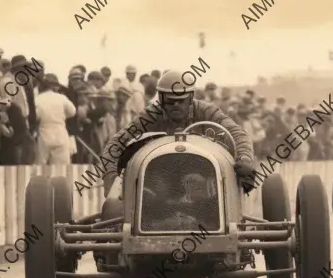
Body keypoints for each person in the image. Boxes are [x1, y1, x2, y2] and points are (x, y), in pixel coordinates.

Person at [101, 69, 255, 196]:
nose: (176, 105)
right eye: (170, 100)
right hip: (162, 176)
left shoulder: (206, 111)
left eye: (181, 100)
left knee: (197, 183)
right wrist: (111, 177)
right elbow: (116, 143)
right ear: (161, 98)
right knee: (153, 186)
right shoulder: (149, 116)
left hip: (200, 173)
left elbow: (236, 132)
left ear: (190, 98)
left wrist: (244, 157)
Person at [35, 73, 77, 165]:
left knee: (40, 166)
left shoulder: (37, 99)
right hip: (60, 132)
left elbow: (36, 117)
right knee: (62, 167)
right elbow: (73, 112)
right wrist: (62, 116)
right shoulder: (61, 98)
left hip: (44, 133)